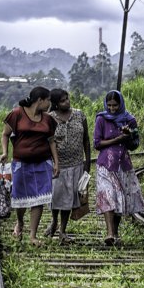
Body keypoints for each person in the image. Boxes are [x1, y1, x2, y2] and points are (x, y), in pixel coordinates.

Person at [0, 86, 59, 246]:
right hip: (21, 163)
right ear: (40, 100)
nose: (50, 105)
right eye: (48, 101)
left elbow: (51, 141)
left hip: (43, 162)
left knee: (39, 199)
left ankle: (33, 235)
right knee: (20, 198)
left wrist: (56, 162)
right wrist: (5, 153)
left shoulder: (48, 119)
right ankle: (20, 222)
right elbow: (5, 134)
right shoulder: (17, 114)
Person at [93, 90, 144, 246]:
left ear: (121, 104)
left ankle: (115, 232)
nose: (112, 109)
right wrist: (117, 139)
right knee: (108, 196)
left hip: (122, 164)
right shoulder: (101, 119)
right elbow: (97, 143)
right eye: (109, 105)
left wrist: (128, 136)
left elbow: (135, 144)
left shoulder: (130, 120)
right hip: (105, 165)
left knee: (118, 198)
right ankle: (109, 233)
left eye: (115, 105)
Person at [43, 89, 91, 243]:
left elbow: (86, 140)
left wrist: (87, 163)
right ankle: (54, 221)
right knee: (56, 197)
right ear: (56, 104)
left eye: (67, 98)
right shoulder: (50, 118)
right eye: (63, 100)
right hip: (57, 165)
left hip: (76, 164)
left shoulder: (79, 115)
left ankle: (62, 230)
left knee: (69, 199)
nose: (67, 102)